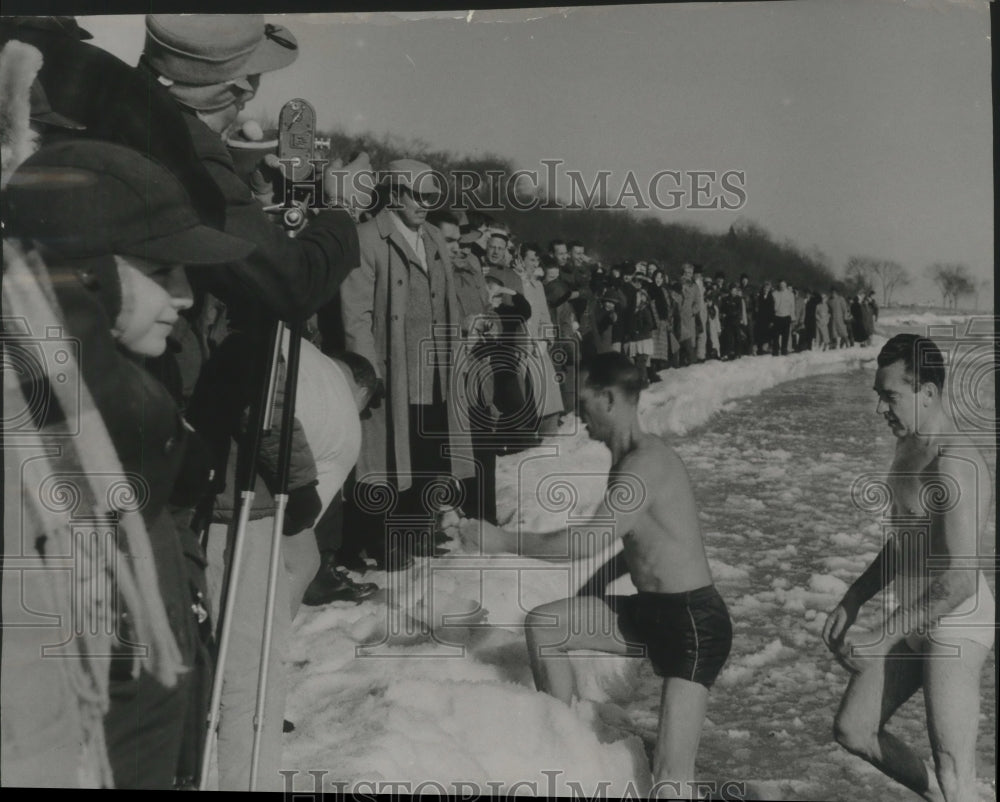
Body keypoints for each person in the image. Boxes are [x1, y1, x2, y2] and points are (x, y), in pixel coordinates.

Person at [3, 139, 255, 789]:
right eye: (162, 269)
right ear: (88, 273)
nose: (187, 297)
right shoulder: (34, 436)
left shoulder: (111, 412)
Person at [453, 353, 732, 798]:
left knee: (670, 778)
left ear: (607, 398)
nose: (576, 414)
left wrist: (501, 541)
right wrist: (600, 583)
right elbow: (647, 542)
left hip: (691, 624)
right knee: (546, 625)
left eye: (581, 402)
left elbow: (587, 541)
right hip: (653, 612)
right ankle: (567, 749)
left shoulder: (645, 464)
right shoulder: (626, 461)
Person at [823, 334, 994, 802]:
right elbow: (906, 542)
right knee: (854, 729)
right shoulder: (908, 448)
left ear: (929, 393)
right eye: (879, 395)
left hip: (956, 624)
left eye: (890, 395)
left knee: (954, 769)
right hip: (918, 614)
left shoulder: (955, 461)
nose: (881, 408)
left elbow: (959, 577)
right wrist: (855, 596)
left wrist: (884, 635)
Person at [340, 158, 475, 568]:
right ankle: (383, 543)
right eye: (418, 195)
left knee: (429, 457)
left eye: (432, 197)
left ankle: (416, 532)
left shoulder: (433, 237)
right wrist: (368, 372)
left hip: (435, 372)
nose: (426, 204)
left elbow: (449, 301)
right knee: (386, 460)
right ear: (395, 193)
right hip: (392, 373)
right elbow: (356, 313)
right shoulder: (367, 238)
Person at [770, 279, 794, 356]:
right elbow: (771, 307)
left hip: (786, 316)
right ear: (779, 285)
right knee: (775, 335)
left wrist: (792, 317)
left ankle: (784, 350)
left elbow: (792, 307)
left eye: (783, 285)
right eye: (781, 285)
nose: (782, 287)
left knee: (785, 335)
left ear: (786, 286)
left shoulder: (790, 294)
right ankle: (775, 351)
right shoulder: (774, 294)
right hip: (777, 316)